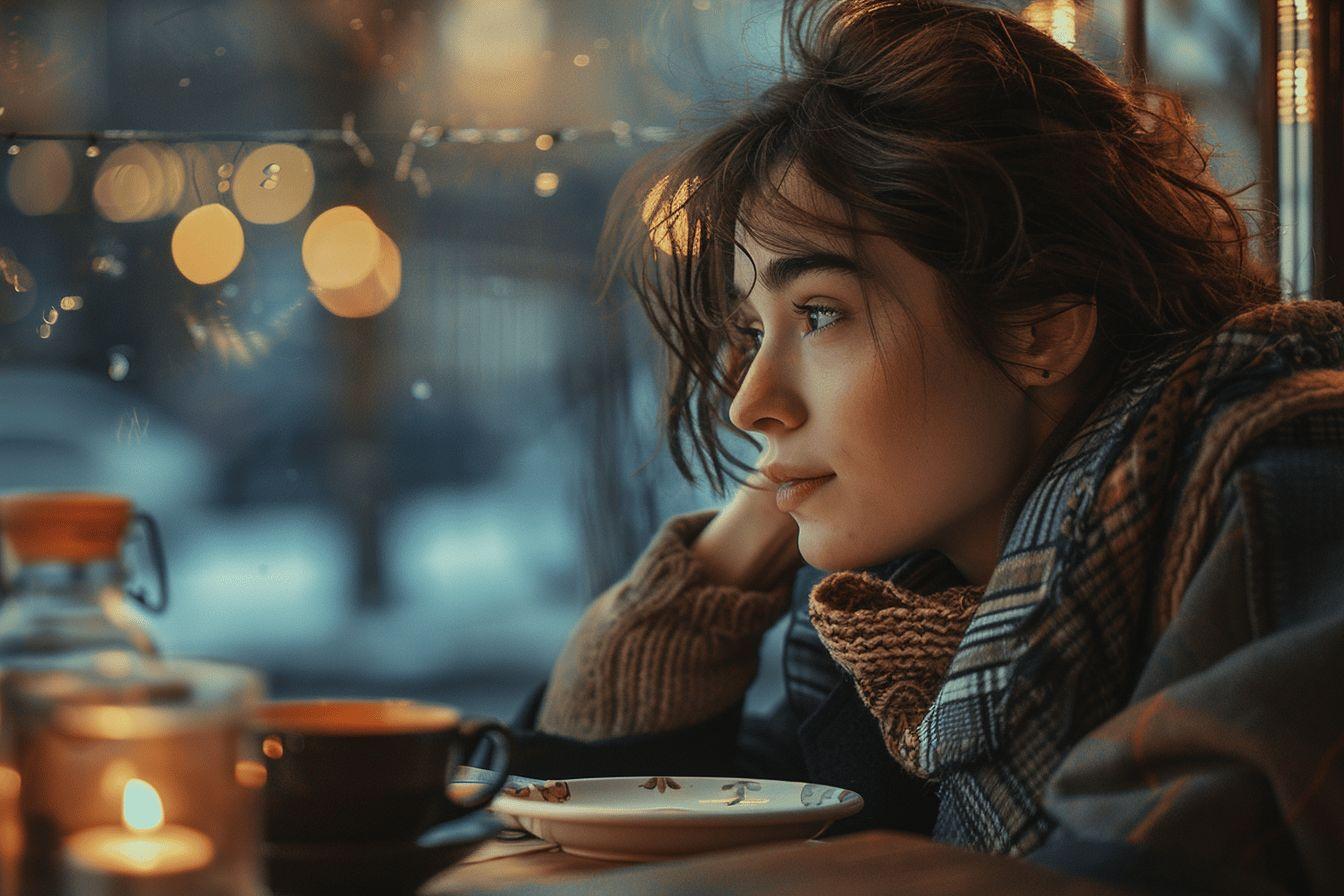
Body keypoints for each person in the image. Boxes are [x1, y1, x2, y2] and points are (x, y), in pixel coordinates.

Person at [500, 2, 1344, 893]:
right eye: (751, 331)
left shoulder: (1283, 489)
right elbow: (626, 810)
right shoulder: (909, 616)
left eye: (818, 315)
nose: (749, 403)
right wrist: (729, 554)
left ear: (1041, 328)